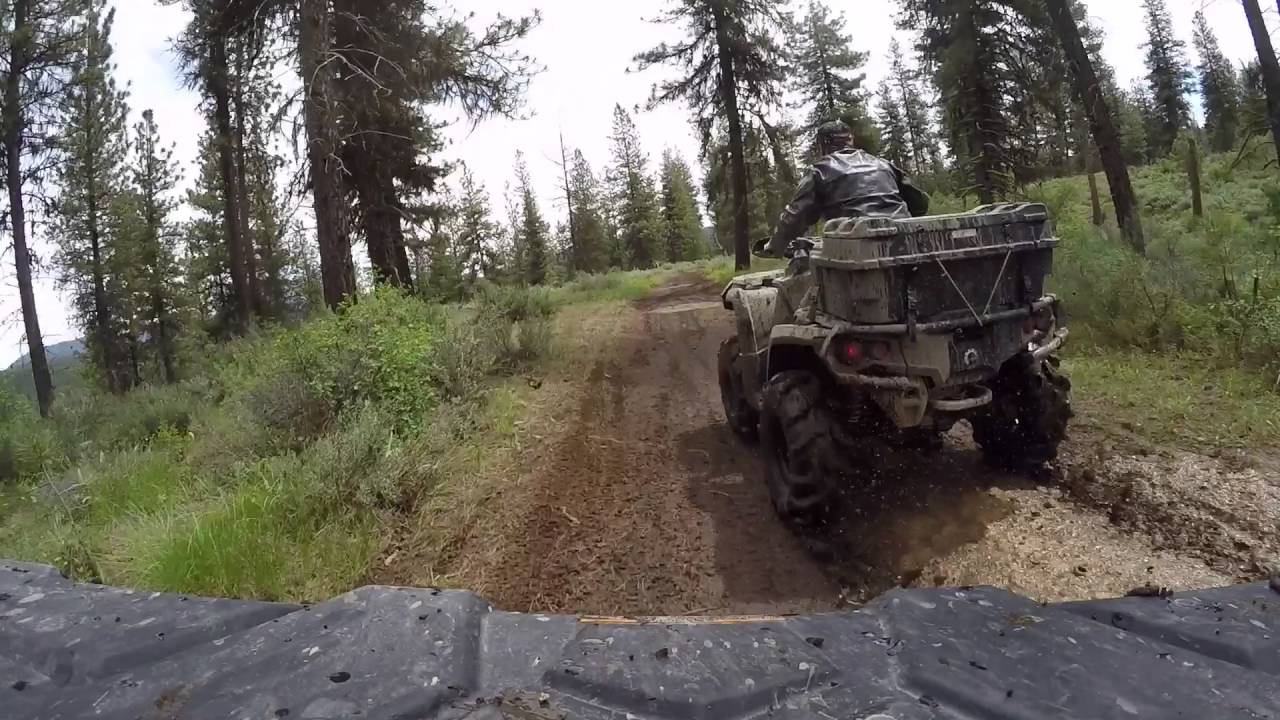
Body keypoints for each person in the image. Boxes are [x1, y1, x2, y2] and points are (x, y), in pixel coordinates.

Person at [757, 120, 930, 259]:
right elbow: (920, 203)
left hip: (854, 253)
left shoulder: (819, 171)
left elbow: (794, 217)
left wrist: (773, 247)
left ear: (822, 145)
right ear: (850, 140)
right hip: (905, 245)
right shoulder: (883, 164)